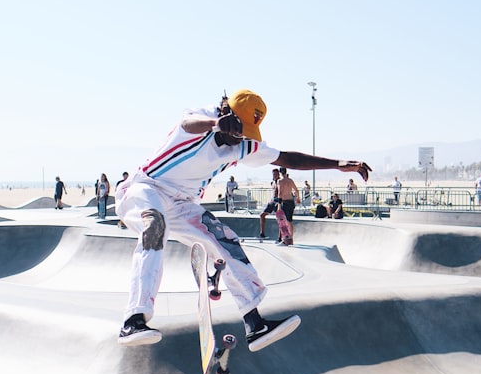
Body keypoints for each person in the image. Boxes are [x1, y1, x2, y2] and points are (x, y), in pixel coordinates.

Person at [114, 89, 371, 349]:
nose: (239, 138)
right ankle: (133, 320)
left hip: (182, 204)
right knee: (155, 226)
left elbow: (287, 158)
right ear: (227, 114)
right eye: (237, 129)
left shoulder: (244, 146)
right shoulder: (204, 117)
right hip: (144, 188)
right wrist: (215, 124)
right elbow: (186, 124)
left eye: (245, 133)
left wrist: (337, 164)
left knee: (227, 242)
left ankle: (254, 323)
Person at [275, 167, 300, 245]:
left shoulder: (280, 181)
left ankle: (285, 238)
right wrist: (298, 198)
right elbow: (296, 190)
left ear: (280, 172)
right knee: (290, 220)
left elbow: (280, 193)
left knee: (283, 221)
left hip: (284, 202)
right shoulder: (290, 180)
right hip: (291, 202)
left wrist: (279, 205)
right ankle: (291, 237)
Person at [258, 167, 282, 240]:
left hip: (278, 202)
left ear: (278, 174)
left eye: (276, 174)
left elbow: (281, 192)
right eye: (273, 174)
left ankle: (280, 236)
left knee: (279, 219)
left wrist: (279, 202)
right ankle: (262, 233)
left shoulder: (280, 182)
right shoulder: (273, 182)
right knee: (262, 215)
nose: (274, 175)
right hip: (272, 201)